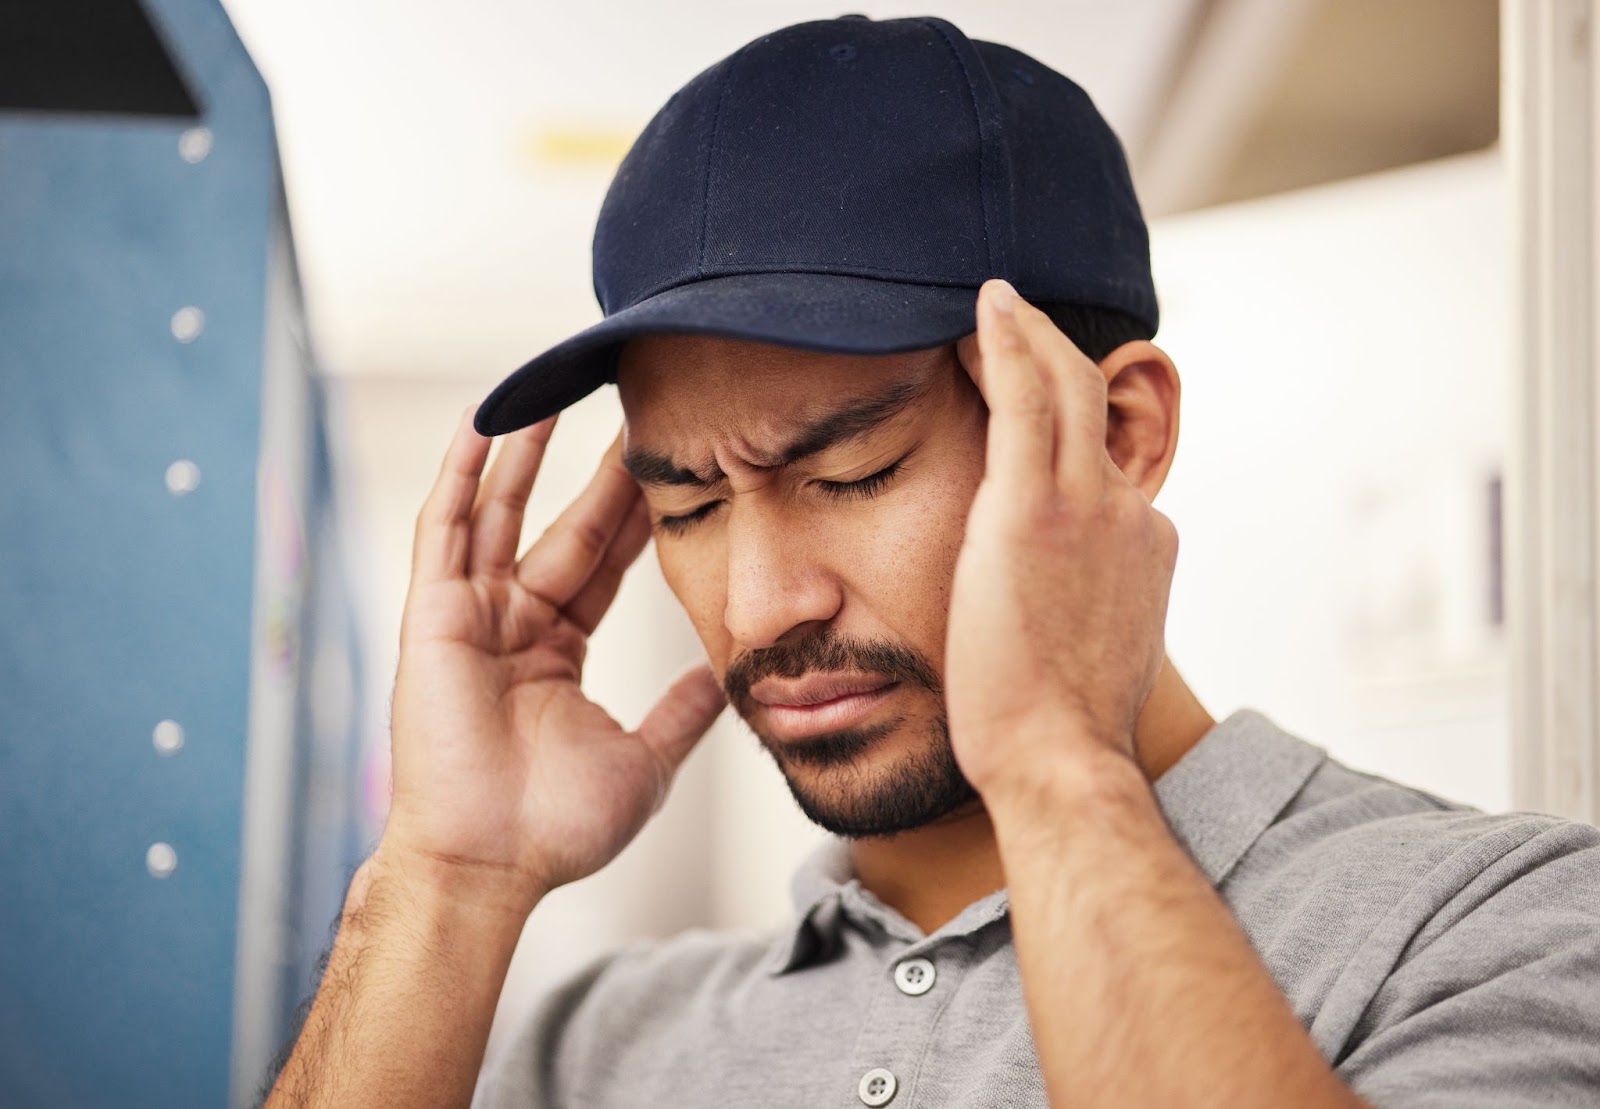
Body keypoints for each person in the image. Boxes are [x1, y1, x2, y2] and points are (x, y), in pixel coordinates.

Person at [263, 15, 1600, 1109]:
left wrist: (1060, 769)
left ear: (1118, 435)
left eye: (850, 475)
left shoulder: (1493, 927)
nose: (760, 604)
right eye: (689, 509)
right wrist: (447, 878)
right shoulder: (583, 1048)